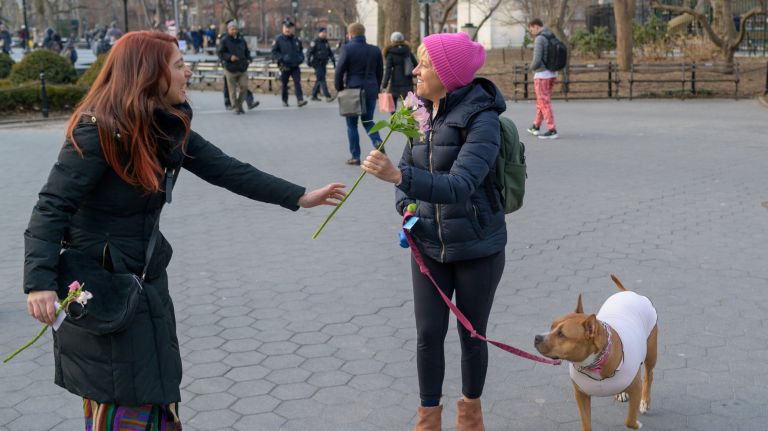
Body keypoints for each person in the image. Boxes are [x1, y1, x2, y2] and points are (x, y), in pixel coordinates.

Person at [23, 31, 346, 430]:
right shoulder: (99, 129)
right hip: (103, 287)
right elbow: (51, 206)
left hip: (145, 278)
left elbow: (227, 169)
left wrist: (299, 197)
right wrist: (38, 282)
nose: (188, 72)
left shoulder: (165, 126)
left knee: (152, 384)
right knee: (121, 392)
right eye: (178, 65)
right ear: (149, 74)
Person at [361, 32, 506, 430]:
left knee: (472, 335)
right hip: (428, 244)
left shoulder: (483, 119)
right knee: (427, 333)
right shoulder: (419, 111)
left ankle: (470, 416)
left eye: (424, 63)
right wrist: (405, 209)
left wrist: (398, 174)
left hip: (478, 246)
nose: (416, 70)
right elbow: (406, 179)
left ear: (448, 73)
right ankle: (428, 419)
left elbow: (459, 185)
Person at [334, 22, 383, 166]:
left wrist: (339, 87)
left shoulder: (347, 48)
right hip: (371, 89)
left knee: (352, 125)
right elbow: (380, 72)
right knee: (368, 121)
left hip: (352, 90)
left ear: (350, 34)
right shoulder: (375, 50)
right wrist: (377, 88)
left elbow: (339, 70)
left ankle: (355, 156)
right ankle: (378, 141)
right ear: (364, 33)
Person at [527, 18, 559, 139]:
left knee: (544, 102)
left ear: (536, 26)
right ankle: (536, 125)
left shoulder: (540, 38)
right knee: (542, 101)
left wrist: (530, 69)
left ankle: (552, 130)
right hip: (552, 74)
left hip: (541, 75)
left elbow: (537, 59)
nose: (532, 31)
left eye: (531, 29)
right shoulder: (551, 35)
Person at [217, 21, 258, 114]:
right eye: (232, 29)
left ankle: (239, 105)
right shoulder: (224, 40)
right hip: (230, 68)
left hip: (242, 67)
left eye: (236, 29)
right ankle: (235, 107)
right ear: (228, 30)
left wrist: (249, 59)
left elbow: (247, 51)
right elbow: (220, 53)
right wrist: (230, 57)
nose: (234, 31)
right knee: (232, 90)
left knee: (244, 87)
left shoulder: (241, 39)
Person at [271, 19, 307, 108]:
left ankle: (300, 100)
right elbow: (274, 53)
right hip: (284, 65)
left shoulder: (296, 39)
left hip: (295, 65)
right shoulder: (278, 39)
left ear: (292, 29)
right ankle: (284, 100)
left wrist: (301, 58)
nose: (287, 29)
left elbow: (301, 51)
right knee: (284, 83)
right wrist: (282, 58)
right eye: (286, 28)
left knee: (297, 82)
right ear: (283, 28)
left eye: (289, 28)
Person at [381, 31, 417, 113]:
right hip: (407, 80)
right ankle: (409, 124)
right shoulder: (408, 51)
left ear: (392, 40)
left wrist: (384, 84)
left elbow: (388, 70)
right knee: (409, 105)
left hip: (395, 82)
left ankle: (394, 123)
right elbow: (416, 64)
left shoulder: (390, 53)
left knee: (392, 106)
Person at [307, 27, 336, 102]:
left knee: (319, 79)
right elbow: (309, 52)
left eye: (325, 33)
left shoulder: (326, 42)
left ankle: (313, 95)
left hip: (323, 63)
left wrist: (333, 60)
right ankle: (327, 96)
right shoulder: (315, 41)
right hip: (317, 63)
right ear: (319, 33)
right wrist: (308, 61)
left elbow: (329, 52)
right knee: (322, 79)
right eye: (323, 32)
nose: (324, 34)